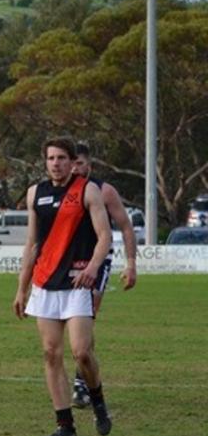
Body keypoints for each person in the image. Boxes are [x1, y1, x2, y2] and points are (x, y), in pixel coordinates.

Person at [13, 136, 113, 436]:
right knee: (50, 353)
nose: (55, 163)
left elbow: (105, 236)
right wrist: (22, 288)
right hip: (45, 283)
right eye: (51, 158)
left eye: (61, 158)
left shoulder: (87, 190)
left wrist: (93, 267)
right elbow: (31, 244)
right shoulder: (35, 194)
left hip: (76, 283)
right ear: (45, 162)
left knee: (82, 351)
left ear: (72, 162)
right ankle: (65, 427)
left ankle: (97, 401)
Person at [69, 142, 136, 411]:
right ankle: (83, 375)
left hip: (98, 261)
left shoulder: (104, 191)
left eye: (80, 164)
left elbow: (126, 227)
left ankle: (81, 382)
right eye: (71, 164)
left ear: (89, 166)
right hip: (68, 261)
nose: (75, 169)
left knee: (88, 312)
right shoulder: (61, 191)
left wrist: (130, 263)